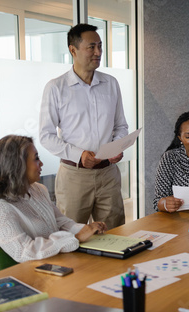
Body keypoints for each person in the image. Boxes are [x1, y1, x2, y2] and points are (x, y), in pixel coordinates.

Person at [39, 23, 128, 230]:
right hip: (74, 176)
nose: (98, 52)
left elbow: (121, 125)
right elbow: (46, 135)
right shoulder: (56, 88)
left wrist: (116, 146)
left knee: (114, 232)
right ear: (73, 50)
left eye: (100, 46)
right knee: (71, 235)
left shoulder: (111, 83)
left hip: (108, 174)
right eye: (91, 47)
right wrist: (79, 154)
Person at [0, 135, 107, 263]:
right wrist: (76, 237)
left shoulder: (38, 189)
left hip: (55, 263)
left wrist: (87, 230)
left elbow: (60, 222)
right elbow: (24, 252)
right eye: (36, 159)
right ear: (17, 165)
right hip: (30, 275)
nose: (41, 163)